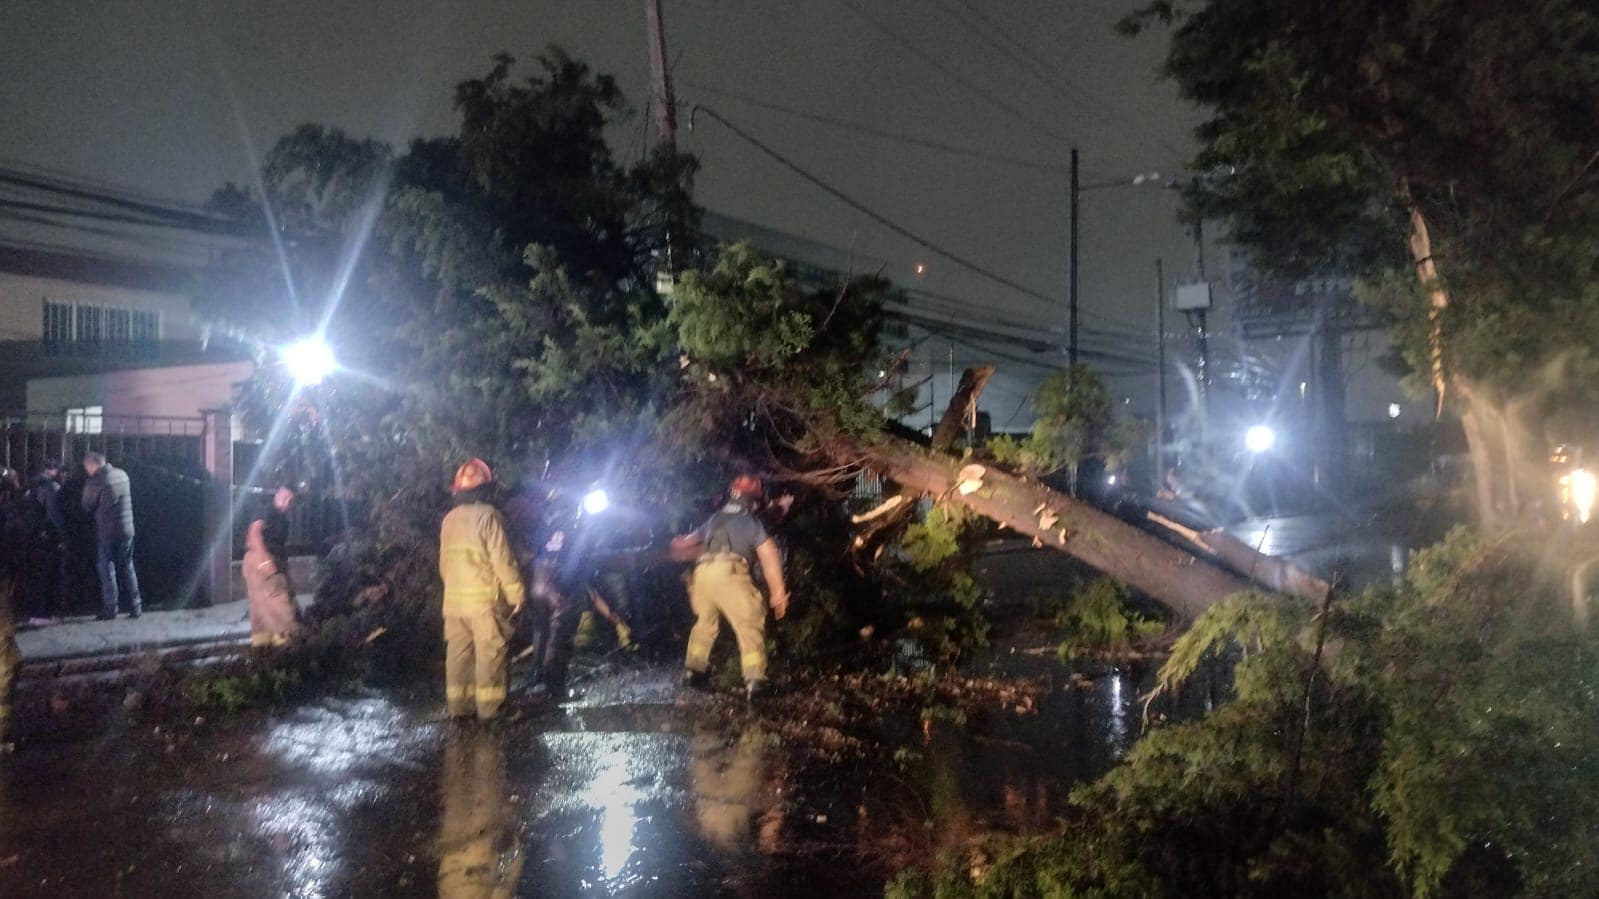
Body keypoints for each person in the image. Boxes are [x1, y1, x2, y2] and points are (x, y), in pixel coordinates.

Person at [671, 474, 789, 701]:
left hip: (702, 575)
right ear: (751, 499)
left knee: (705, 623)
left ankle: (692, 670)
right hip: (730, 574)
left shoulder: (715, 518)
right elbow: (769, 555)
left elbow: (687, 541)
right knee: (750, 622)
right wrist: (778, 594)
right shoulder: (750, 521)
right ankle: (755, 680)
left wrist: (677, 544)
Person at [438, 458, 524, 721]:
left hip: (453, 602)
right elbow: (502, 560)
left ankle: (459, 708)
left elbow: (444, 563)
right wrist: (517, 593)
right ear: (485, 489)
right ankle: (491, 709)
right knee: (491, 653)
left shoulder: (449, 519)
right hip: (484, 602)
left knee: (458, 653)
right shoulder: (488, 516)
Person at [80, 452, 142, 620]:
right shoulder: (123, 475)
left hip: (107, 531)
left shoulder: (96, 481)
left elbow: (87, 505)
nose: (87, 471)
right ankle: (136, 606)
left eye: (87, 467)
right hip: (127, 529)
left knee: (106, 568)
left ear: (93, 464)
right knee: (128, 566)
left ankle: (110, 609)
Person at [244, 485, 299, 647]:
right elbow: (254, 533)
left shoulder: (282, 519)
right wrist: (265, 561)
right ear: (277, 494)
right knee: (281, 607)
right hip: (262, 561)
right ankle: (290, 651)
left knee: (261, 613)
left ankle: (263, 653)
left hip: (262, 563)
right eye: (285, 497)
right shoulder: (267, 510)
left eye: (291, 500)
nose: (288, 502)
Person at [22, 462, 66, 622]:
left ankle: (33, 613)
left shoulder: (29, 486)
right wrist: (62, 537)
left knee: (34, 576)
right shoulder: (51, 487)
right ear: (52, 471)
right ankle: (44, 614)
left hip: (30, 537)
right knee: (48, 575)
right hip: (47, 537)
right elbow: (54, 516)